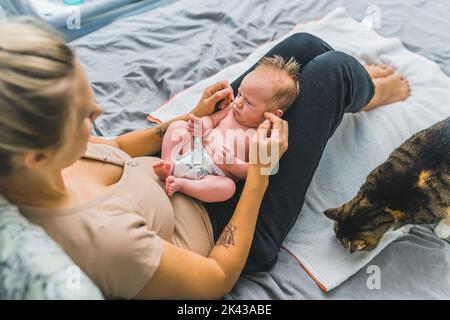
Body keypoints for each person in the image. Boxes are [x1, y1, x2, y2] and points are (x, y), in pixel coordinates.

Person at [0, 18, 410, 299]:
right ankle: (366, 92)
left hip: (192, 153)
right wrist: (260, 174)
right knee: (333, 70)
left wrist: (196, 117)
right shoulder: (105, 241)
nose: (99, 117)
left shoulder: (41, 160)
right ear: (37, 156)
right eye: (85, 117)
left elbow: (121, 148)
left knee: (303, 48)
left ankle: (355, 91)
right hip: (223, 221)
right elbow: (216, 279)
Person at [152, 55, 301, 202]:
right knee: (178, 127)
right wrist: (202, 126)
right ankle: (168, 163)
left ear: (274, 114)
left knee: (228, 188)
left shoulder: (266, 138)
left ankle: (182, 185)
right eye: (240, 94)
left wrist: (233, 164)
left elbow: (254, 172)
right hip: (193, 148)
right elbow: (211, 120)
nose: (238, 102)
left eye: (248, 102)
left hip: (211, 175)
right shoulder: (231, 110)